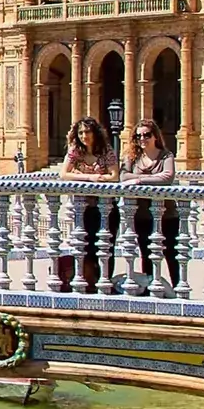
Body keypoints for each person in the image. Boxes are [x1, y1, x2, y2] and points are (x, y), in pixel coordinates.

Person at [54, 118, 118, 290]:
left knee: (106, 247)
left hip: (106, 208)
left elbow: (115, 176)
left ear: (95, 133)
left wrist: (84, 175)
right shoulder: (76, 151)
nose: (84, 136)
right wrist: (90, 177)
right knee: (85, 246)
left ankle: (105, 282)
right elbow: (64, 174)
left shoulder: (106, 150)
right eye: (81, 132)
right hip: (84, 208)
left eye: (87, 132)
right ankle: (90, 282)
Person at [123, 120, 179, 288]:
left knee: (171, 252)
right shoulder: (132, 157)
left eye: (147, 135)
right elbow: (123, 177)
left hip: (166, 213)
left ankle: (177, 287)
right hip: (142, 214)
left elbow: (167, 177)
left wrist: (139, 180)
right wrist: (152, 179)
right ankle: (150, 288)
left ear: (155, 136)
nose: (142, 138)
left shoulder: (166, 156)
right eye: (138, 135)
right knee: (146, 253)